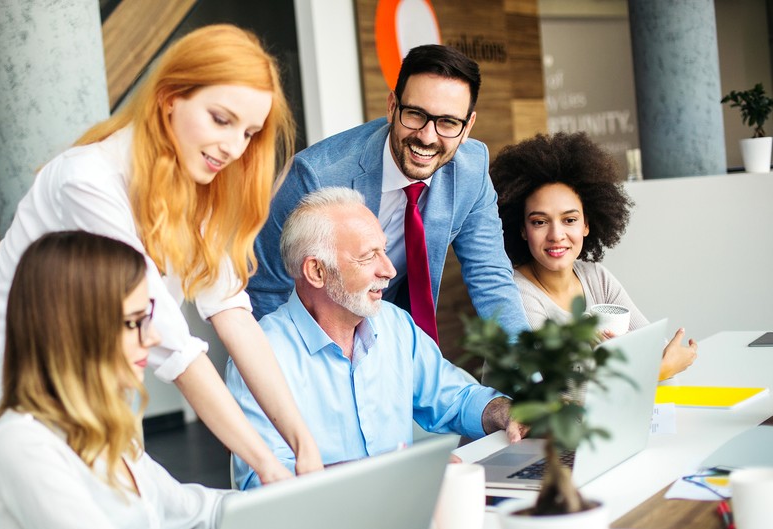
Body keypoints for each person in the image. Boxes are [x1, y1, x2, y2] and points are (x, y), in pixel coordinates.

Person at [0, 24, 323, 509]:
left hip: (91, 403)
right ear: (169, 100)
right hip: (0, 409)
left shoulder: (194, 187)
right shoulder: (87, 183)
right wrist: (267, 465)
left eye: (248, 133)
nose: (234, 147)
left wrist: (303, 445)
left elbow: (232, 314)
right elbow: (172, 346)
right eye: (220, 119)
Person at [0, 232, 234, 529]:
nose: (151, 338)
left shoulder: (108, 432)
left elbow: (191, 509)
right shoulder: (21, 445)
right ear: (74, 331)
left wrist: (272, 511)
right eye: (134, 323)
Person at [227, 188, 527, 490]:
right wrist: (397, 472)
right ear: (316, 271)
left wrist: (506, 412)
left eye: (383, 250)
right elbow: (262, 483)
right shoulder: (259, 352)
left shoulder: (394, 323)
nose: (389, 269)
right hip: (321, 527)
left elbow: (455, 399)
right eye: (369, 256)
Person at [247, 44, 529, 343]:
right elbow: (265, 289)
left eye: (448, 122)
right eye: (416, 114)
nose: (427, 137)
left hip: (395, 336)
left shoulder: (471, 169)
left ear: (467, 125)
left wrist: (533, 374)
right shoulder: (315, 176)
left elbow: (491, 280)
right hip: (313, 334)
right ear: (392, 106)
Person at [489, 131, 697, 380]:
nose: (556, 235)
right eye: (540, 222)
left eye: (570, 220)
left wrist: (655, 362)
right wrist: (655, 370)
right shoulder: (514, 294)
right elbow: (555, 388)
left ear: (587, 224)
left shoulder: (595, 277)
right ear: (522, 229)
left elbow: (656, 348)